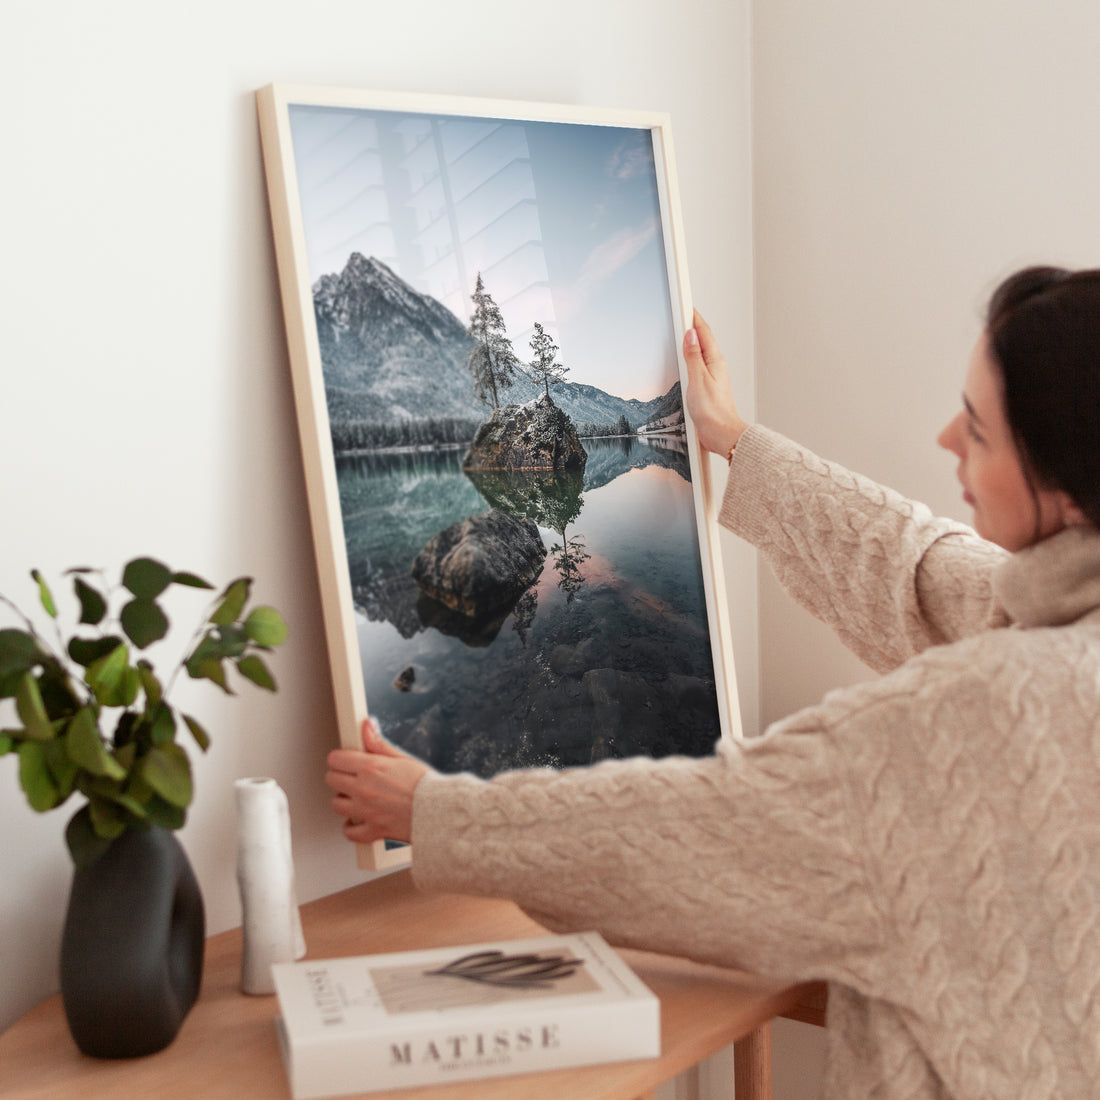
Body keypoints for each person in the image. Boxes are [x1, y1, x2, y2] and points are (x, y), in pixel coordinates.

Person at [325, 266, 1100, 1099]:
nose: (948, 438)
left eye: (979, 431)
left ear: (1064, 487)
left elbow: (703, 829)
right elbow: (916, 568)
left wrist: (435, 814)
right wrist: (734, 440)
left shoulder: (980, 717)